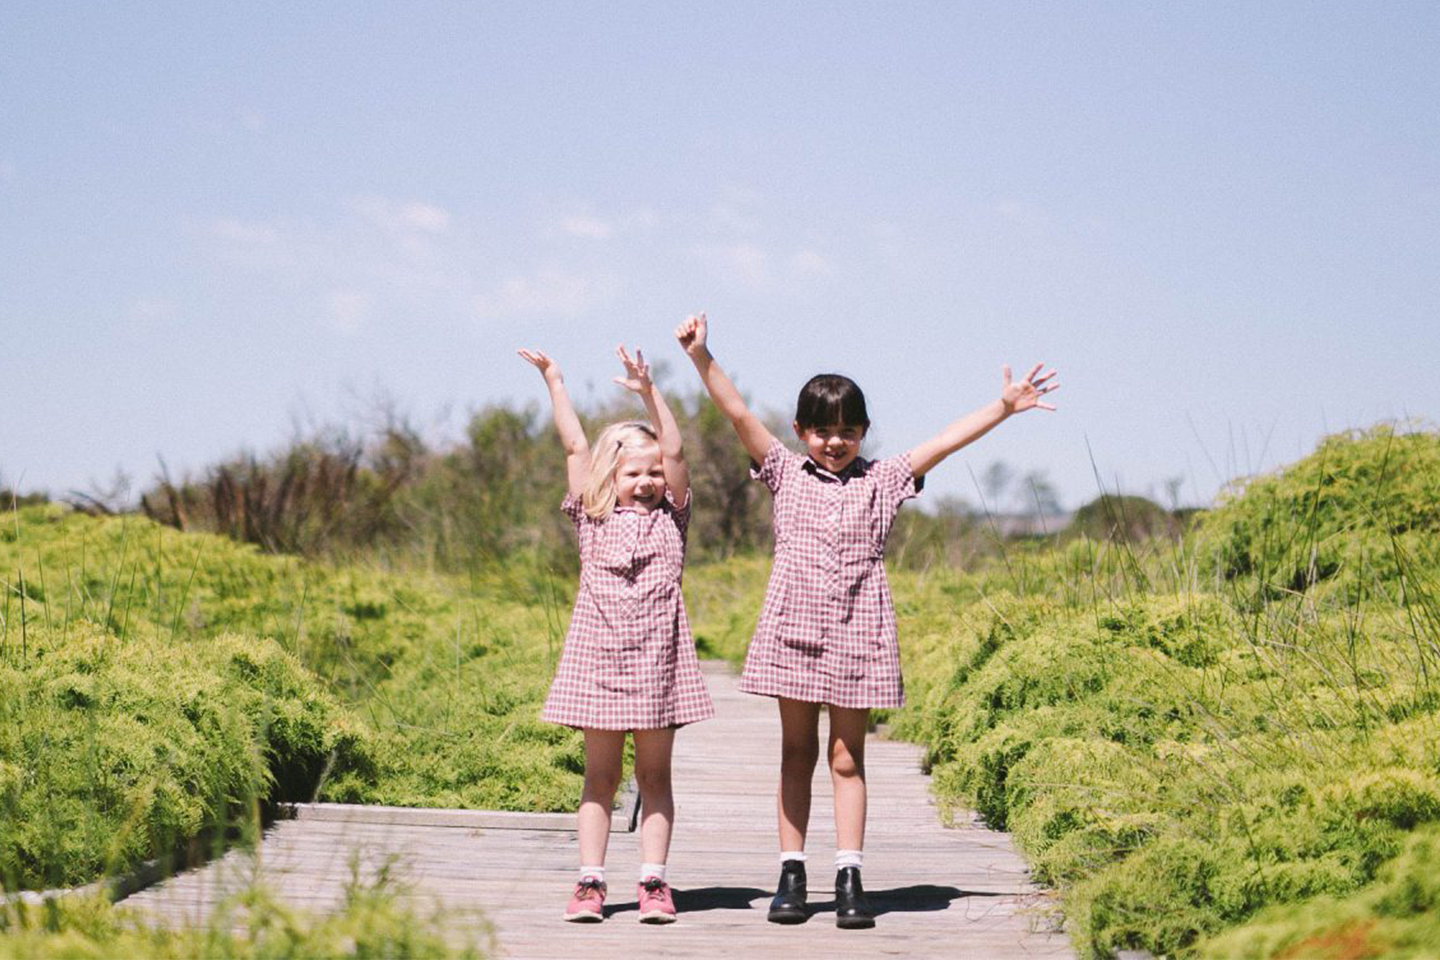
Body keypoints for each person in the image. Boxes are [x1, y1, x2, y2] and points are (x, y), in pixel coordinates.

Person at [675, 312, 1057, 929]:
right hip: (793, 630)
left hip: (860, 633)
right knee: (796, 752)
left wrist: (1003, 407)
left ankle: (850, 875)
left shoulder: (883, 480)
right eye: (823, 431)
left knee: (848, 757)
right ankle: (792, 873)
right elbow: (738, 413)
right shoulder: (782, 471)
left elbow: (945, 441)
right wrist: (701, 356)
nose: (835, 442)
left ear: (864, 433)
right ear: (800, 431)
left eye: (849, 431)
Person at [518, 344, 715, 924]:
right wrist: (556, 379)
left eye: (654, 473)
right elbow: (576, 444)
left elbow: (674, 447)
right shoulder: (591, 514)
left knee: (655, 777)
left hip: (658, 665)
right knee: (599, 778)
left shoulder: (672, 518)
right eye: (634, 472)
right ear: (611, 476)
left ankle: (654, 881)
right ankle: (590, 883)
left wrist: (650, 394)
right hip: (598, 663)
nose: (648, 480)